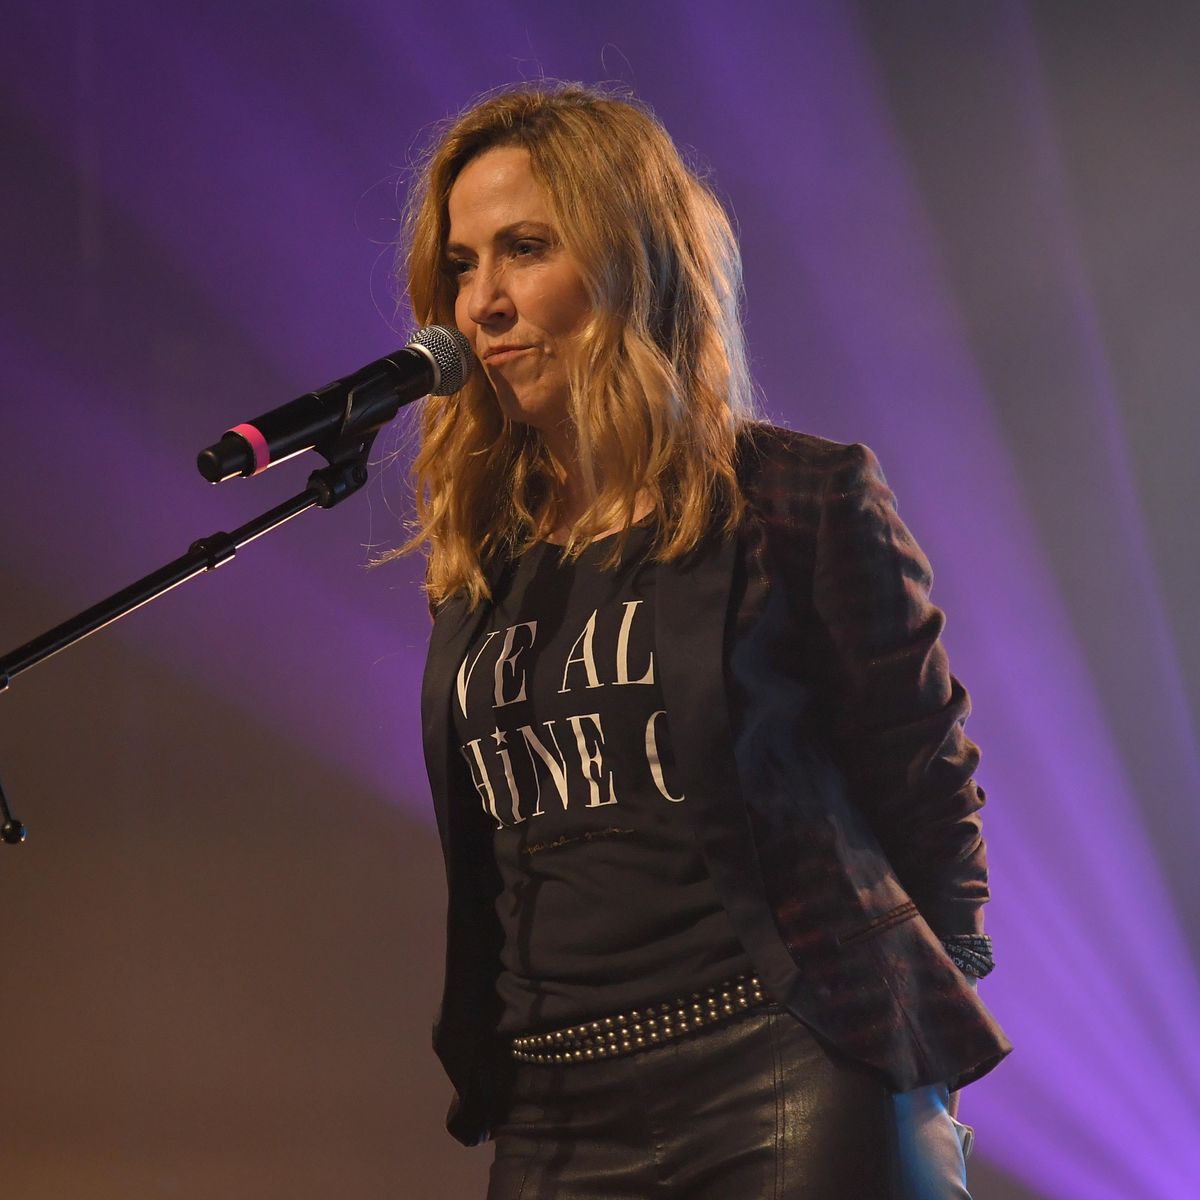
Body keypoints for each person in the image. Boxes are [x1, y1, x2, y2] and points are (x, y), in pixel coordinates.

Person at [382, 82, 1012, 1199]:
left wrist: (922, 1056)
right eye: (462, 265)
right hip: (556, 1104)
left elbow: (924, 782)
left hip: (787, 1065)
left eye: (525, 249)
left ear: (632, 260)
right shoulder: (484, 558)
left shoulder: (797, 498)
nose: (480, 303)